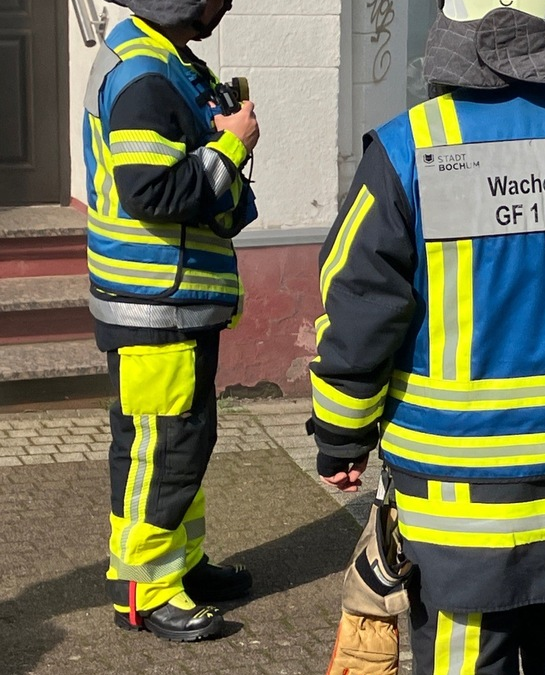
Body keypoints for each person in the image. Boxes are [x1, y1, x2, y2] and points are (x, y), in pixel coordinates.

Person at [308, 0, 545, 672]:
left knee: (465, 654)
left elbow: (357, 314)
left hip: (456, 495)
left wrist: (342, 437)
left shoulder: (408, 149)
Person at [85, 0, 259, 642]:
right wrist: (230, 148)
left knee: (180, 440)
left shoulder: (163, 59)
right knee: (161, 450)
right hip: (155, 300)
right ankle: (148, 592)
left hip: (170, 297)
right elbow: (152, 191)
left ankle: (180, 566)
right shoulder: (147, 76)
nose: (227, 3)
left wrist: (216, 142)